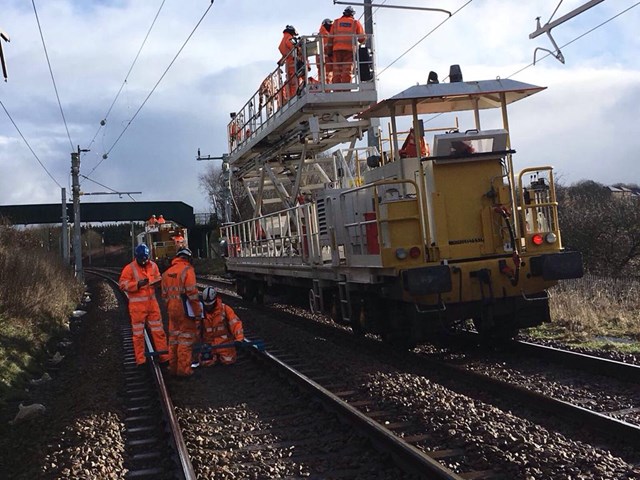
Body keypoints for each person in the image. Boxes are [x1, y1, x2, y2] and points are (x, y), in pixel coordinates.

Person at [119, 244, 169, 366]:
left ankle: (164, 356)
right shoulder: (129, 269)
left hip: (152, 305)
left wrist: (157, 283)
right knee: (138, 335)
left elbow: (157, 278)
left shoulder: (153, 266)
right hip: (137, 308)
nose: (144, 261)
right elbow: (122, 284)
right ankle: (140, 360)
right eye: (142, 259)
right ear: (137, 257)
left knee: (158, 331)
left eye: (146, 259)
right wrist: (137, 284)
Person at [161, 247, 202, 377]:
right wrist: (197, 313)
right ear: (188, 258)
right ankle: (184, 370)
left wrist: (171, 306)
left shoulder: (166, 273)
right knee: (185, 340)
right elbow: (192, 295)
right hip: (185, 310)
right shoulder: (187, 271)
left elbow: (164, 295)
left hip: (172, 310)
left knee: (173, 339)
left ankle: (173, 367)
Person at [199, 286, 244, 366]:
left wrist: (239, 339)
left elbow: (235, 324)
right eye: (207, 305)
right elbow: (195, 328)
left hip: (225, 344)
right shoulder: (200, 312)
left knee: (228, 361)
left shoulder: (225, 309)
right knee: (206, 363)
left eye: (210, 304)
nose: (208, 307)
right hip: (208, 345)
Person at [327, 6, 365, 85]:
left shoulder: (336, 22)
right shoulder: (355, 23)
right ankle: (346, 88)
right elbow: (362, 38)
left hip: (336, 51)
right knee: (347, 71)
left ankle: (336, 89)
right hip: (349, 51)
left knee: (336, 71)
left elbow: (330, 39)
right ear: (352, 14)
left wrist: (329, 51)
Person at [278, 25, 299, 100]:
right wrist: (298, 50)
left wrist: (281, 60)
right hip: (293, 63)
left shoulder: (283, 39)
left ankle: (291, 97)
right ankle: (295, 96)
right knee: (294, 82)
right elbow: (292, 48)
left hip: (288, 64)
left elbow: (285, 53)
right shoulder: (289, 38)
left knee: (290, 82)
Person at [318, 18, 334, 84]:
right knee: (326, 81)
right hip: (326, 62)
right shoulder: (325, 35)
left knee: (324, 80)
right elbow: (327, 47)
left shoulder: (321, 35)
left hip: (324, 62)